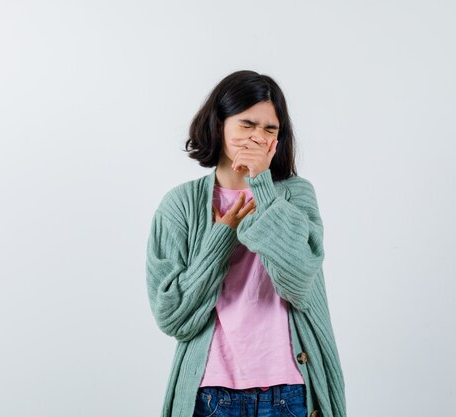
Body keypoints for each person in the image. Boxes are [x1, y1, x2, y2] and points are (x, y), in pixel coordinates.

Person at [145, 70, 346, 417]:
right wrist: (223, 235)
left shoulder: (296, 195)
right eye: (247, 124)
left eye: (270, 129)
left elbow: (299, 281)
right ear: (219, 125)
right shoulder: (180, 205)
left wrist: (263, 187)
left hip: (291, 390)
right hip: (210, 393)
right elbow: (172, 316)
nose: (257, 137)